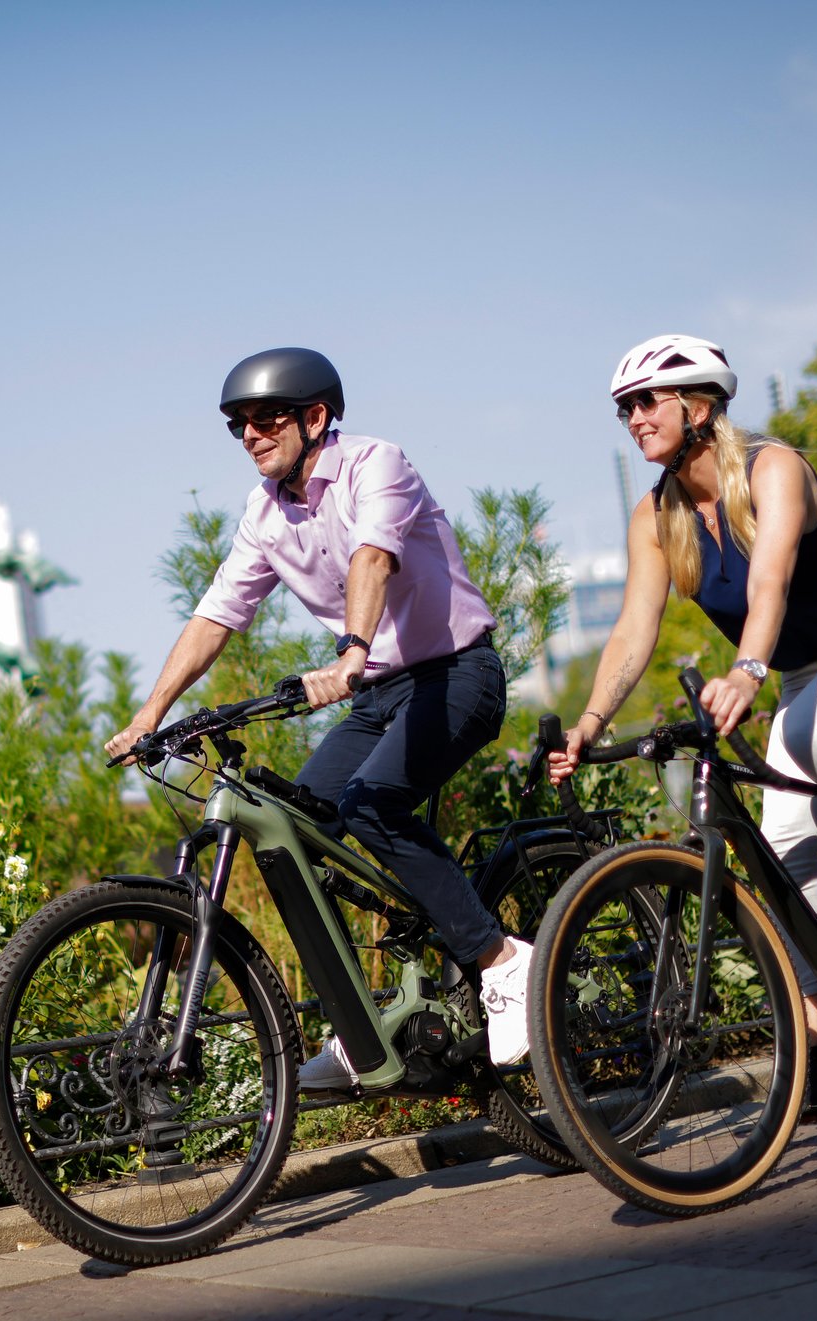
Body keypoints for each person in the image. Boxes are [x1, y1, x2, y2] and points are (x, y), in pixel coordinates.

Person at [548, 333, 817, 1119]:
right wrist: (590, 721)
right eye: (623, 408)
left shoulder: (774, 468)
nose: (633, 418)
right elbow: (634, 628)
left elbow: (769, 581)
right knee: (780, 847)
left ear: (698, 406)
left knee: (816, 729)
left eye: (646, 402)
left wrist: (746, 671)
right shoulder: (658, 516)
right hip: (809, 671)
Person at [105, 347, 531, 1088]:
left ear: (315, 417)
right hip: (378, 694)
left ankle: (502, 960)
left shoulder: (376, 464)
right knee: (295, 830)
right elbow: (218, 612)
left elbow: (373, 557)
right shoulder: (264, 512)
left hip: (456, 675)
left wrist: (351, 651)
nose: (250, 435)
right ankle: (362, 1025)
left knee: (371, 802)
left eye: (266, 419)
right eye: (238, 424)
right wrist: (150, 715)